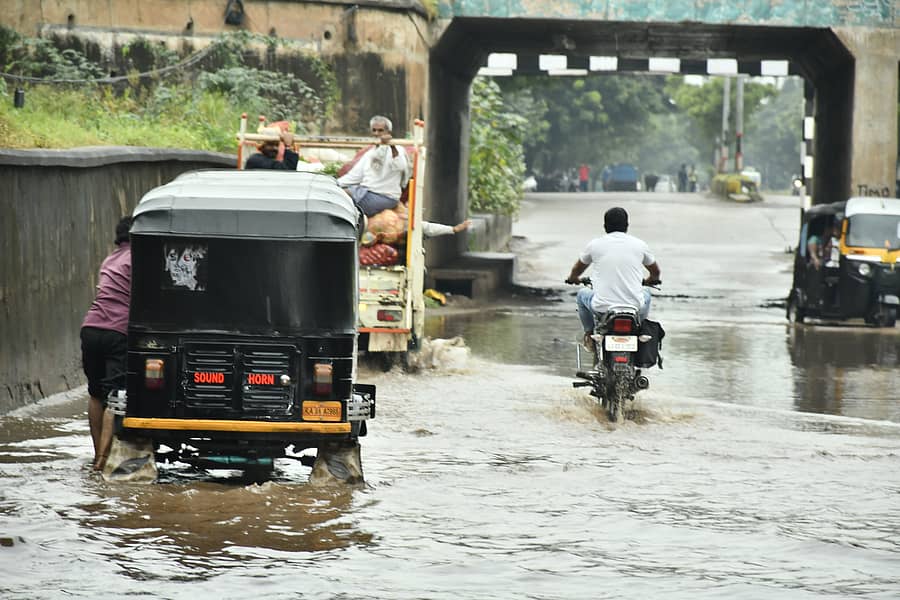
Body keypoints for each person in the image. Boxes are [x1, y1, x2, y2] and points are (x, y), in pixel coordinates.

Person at [565, 207, 661, 347]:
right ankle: (639, 327)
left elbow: (577, 269)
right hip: (633, 307)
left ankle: (589, 335)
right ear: (627, 226)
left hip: (602, 307)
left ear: (605, 226)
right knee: (646, 293)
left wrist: (573, 278)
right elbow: (655, 272)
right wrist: (649, 280)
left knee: (581, 295)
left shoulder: (595, 245)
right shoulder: (640, 245)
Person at [80, 216, 132, 471]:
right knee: (115, 396)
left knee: (95, 392)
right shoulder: (138, 259)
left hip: (90, 328)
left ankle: (95, 455)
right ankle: (104, 459)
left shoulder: (110, 259)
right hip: (116, 333)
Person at [338, 115, 410, 217]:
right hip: (366, 192)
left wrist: (392, 146)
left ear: (388, 133)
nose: (377, 134)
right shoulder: (370, 153)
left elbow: (400, 166)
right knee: (339, 193)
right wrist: (334, 184)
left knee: (344, 198)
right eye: (374, 130)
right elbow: (354, 176)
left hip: (385, 196)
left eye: (380, 131)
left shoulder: (397, 150)